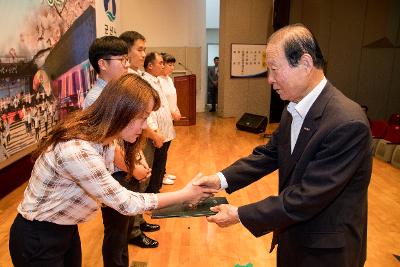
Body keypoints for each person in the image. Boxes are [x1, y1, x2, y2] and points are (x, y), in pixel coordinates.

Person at [194, 24, 372, 267]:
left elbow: (308, 196)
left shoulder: (346, 122)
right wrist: (220, 179)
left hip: (326, 251)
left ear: (306, 64)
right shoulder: (294, 106)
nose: (270, 79)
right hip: (292, 235)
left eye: (275, 69)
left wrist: (240, 214)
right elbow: (269, 154)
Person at [8, 74, 216, 267]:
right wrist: (184, 195)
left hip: (65, 227)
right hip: (38, 235)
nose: (145, 126)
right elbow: (126, 203)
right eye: (142, 118)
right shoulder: (77, 150)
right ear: (121, 112)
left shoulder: (104, 139)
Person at [84, 35, 148, 267]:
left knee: (124, 229)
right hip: (113, 174)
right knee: (116, 233)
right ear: (102, 64)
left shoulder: (115, 92)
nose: (127, 64)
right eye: (122, 60)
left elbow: (124, 138)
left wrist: (137, 159)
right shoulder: (96, 99)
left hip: (123, 168)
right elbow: (108, 145)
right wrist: (132, 167)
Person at [119, 30, 162, 249]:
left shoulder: (139, 76)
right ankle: (134, 230)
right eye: (140, 49)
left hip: (140, 137)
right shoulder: (126, 81)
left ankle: (138, 222)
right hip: (132, 140)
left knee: (142, 182)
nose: (144, 54)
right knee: (134, 184)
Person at [142, 52, 175, 194]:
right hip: (157, 132)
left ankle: (156, 192)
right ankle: (152, 195)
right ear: (150, 66)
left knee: (160, 164)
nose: (163, 65)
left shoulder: (158, 80)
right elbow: (149, 111)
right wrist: (155, 132)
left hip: (165, 131)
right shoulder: (145, 82)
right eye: (160, 63)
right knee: (155, 164)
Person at [159, 52, 181, 185]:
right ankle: (160, 175)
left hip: (170, 118)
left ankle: (164, 172)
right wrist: (172, 111)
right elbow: (162, 102)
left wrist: (176, 109)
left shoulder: (168, 79)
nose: (172, 67)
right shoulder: (158, 80)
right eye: (169, 64)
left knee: (166, 148)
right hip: (163, 118)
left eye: (173, 65)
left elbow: (172, 98)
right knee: (161, 149)